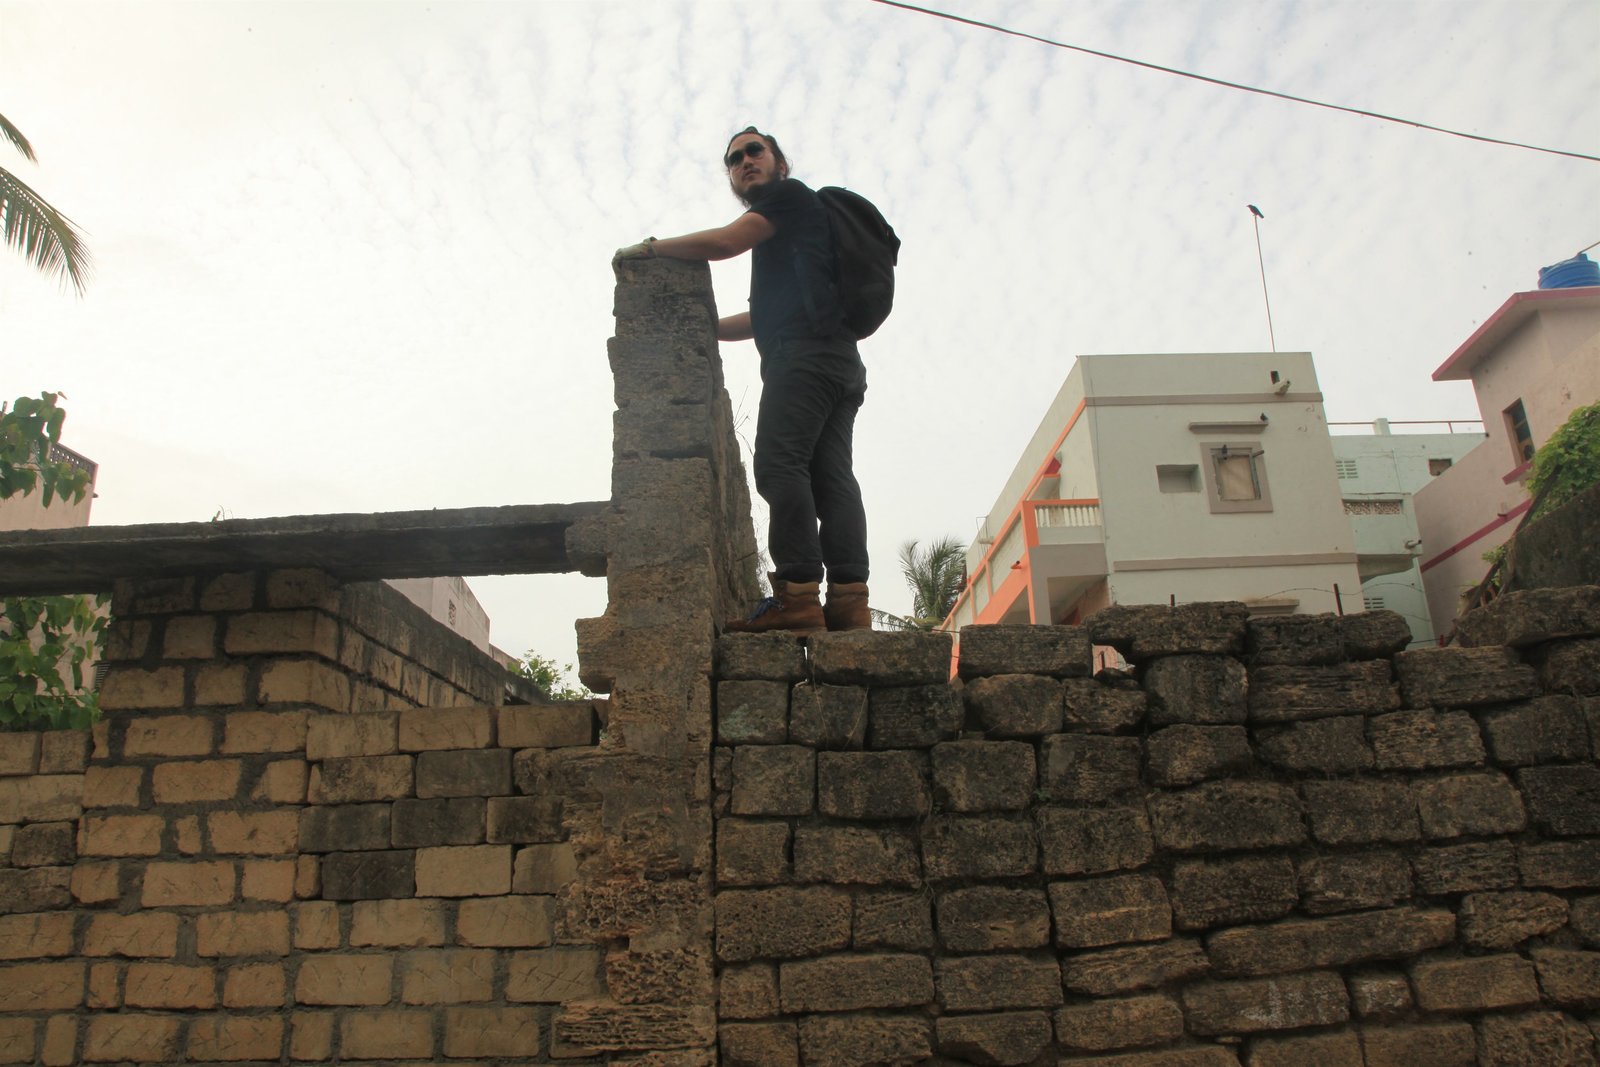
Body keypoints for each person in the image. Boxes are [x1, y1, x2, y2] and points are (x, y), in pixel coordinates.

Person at [614, 126, 870, 635]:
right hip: (839, 362)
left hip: (803, 361)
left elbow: (727, 242)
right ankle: (849, 603)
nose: (745, 161)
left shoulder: (788, 198)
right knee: (831, 477)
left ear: (780, 163)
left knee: (779, 466)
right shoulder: (799, 229)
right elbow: (759, 320)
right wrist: (702, 325)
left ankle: (799, 598)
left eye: (755, 151)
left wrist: (652, 248)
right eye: (734, 159)